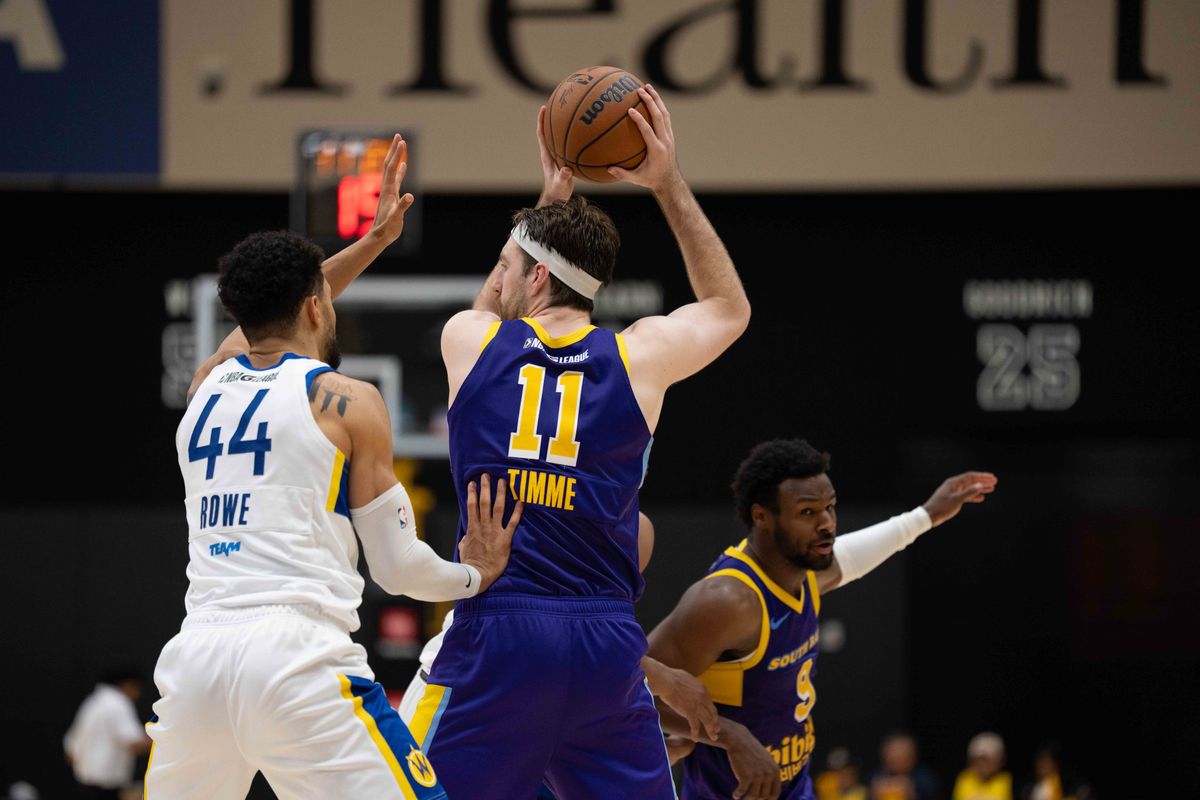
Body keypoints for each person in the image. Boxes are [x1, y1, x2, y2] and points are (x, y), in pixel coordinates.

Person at [144, 136, 519, 799]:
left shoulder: (204, 389)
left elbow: (267, 319)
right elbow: (400, 569)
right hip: (297, 659)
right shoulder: (346, 400)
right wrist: (475, 572)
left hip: (196, 661)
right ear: (317, 306)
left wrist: (370, 244)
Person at [414, 85, 751, 799]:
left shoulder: (469, 342)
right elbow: (729, 307)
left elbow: (490, 303)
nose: (498, 277)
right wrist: (666, 182)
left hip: (502, 631)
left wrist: (548, 199)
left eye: (509, 265)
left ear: (534, 273)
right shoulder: (640, 356)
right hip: (604, 645)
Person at [646, 438, 998, 800]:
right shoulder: (728, 602)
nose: (827, 523)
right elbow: (630, 684)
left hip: (796, 790)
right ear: (762, 516)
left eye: (830, 507)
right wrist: (729, 735)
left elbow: (855, 556)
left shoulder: (806, 573)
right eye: (808, 513)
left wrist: (928, 515)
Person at [63, 667, 151, 799]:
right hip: (105, 786)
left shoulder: (93, 702)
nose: (138, 694)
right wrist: (165, 741)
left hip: (85, 781)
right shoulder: (118, 704)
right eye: (137, 688)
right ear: (128, 685)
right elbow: (134, 743)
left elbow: (70, 751)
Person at [869, 732, 940, 800]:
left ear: (913, 757)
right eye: (893, 759)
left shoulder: (924, 779)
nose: (897, 760)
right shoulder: (877, 777)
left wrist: (911, 792)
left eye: (901, 758)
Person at [953, 732, 1013, 800]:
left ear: (999, 760)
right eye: (976, 759)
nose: (980, 764)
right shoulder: (965, 778)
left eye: (985, 760)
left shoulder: (1007, 781)